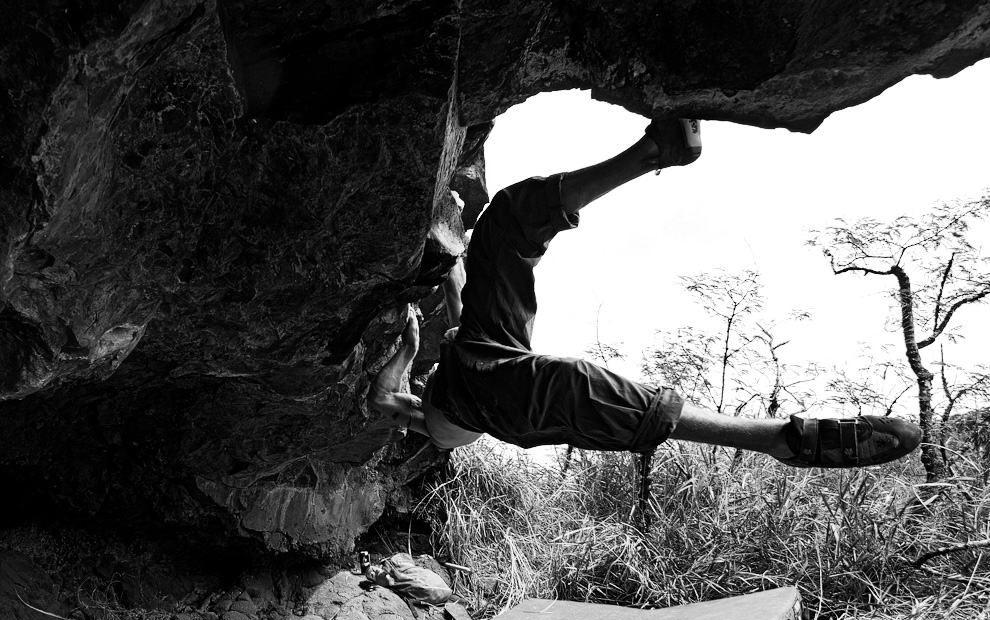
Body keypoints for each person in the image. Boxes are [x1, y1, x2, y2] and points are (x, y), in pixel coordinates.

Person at [369, 119, 922, 467]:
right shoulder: (446, 426)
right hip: (486, 388)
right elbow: (388, 400)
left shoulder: (459, 382)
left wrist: (424, 333)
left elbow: (458, 334)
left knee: (505, 225)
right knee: (568, 386)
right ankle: (774, 439)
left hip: (487, 362)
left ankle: (653, 150)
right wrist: (407, 354)